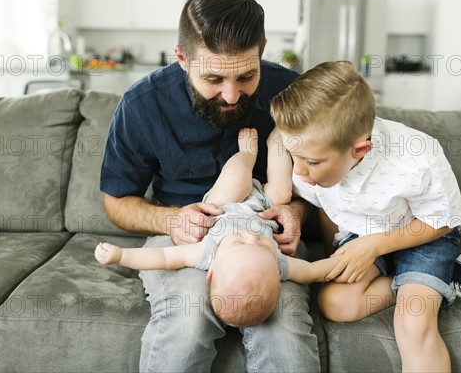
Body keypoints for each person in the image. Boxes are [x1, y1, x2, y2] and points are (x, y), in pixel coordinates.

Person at [100, 0, 319, 372]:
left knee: (283, 331)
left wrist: (297, 211)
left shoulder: (293, 94)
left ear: (262, 50)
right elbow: (117, 201)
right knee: (187, 322)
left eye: (247, 76)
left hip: (265, 238)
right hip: (183, 235)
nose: (232, 95)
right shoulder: (142, 105)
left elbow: (328, 181)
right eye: (214, 78)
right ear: (182, 58)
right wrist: (170, 220)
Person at [270, 60, 461, 372]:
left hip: (424, 236)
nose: (300, 172)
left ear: (360, 150)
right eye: (294, 157)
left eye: (311, 162)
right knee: (334, 303)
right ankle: (443, 281)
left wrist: (373, 247)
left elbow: (443, 220)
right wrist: (342, 253)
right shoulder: (313, 162)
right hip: (363, 234)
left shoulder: (416, 158)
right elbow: (329, 208)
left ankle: (432, 276)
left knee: (413, 323)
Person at [96, 128, 339, 328]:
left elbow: (163, 256)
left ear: (212, 270)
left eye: (238, 243)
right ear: (277, 275)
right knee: (282, 191)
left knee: (235, 181)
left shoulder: (207, 253)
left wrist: (120, 255)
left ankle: (246, 154)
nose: (251, 236)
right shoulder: (281, 265)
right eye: (263, 245)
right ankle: (278, 138)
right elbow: (315, 270)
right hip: (265, 206)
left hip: (224, 205)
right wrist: (353, 255)